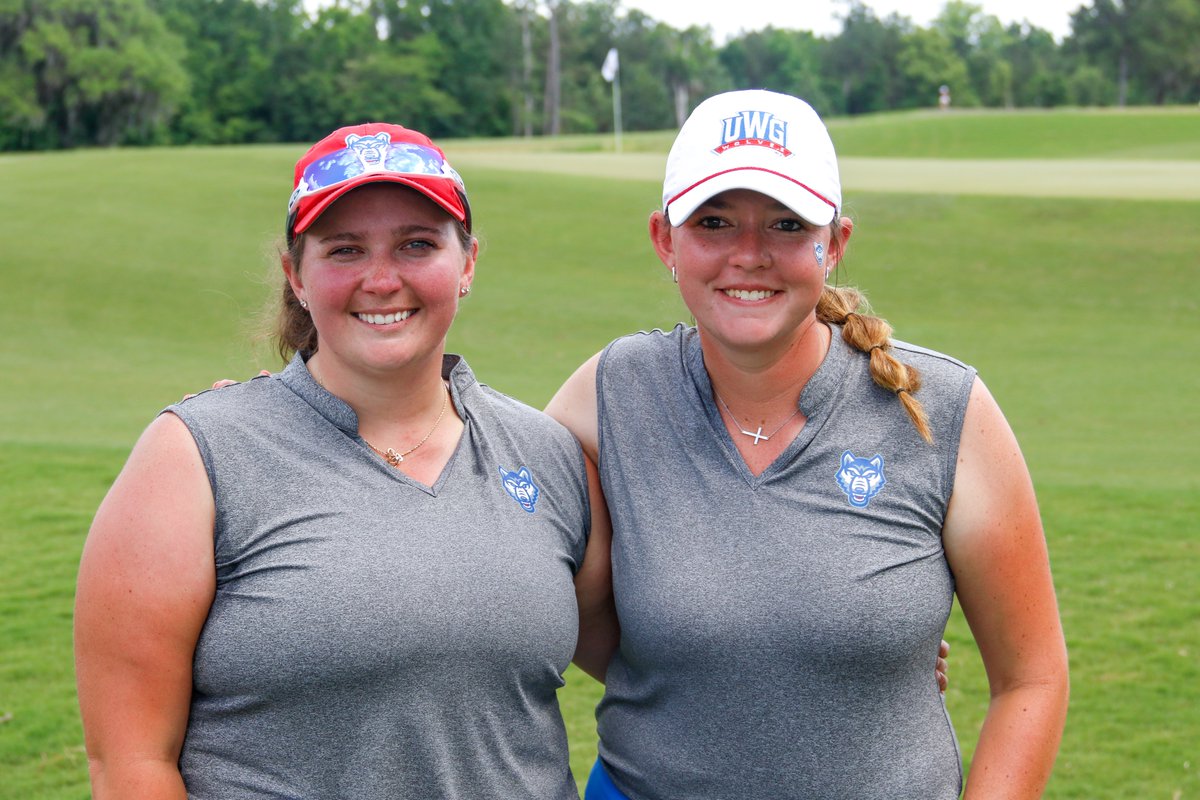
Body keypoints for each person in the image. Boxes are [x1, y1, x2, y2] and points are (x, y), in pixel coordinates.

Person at [545, 89, 1069, 799]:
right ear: (665, 240)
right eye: (714, 222)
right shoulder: (609, 394)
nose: (749, 255)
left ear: (836, 243)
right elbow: (528, 591)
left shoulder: (944, 409)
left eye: (788, 224)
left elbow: (1032, 678)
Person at [73, 122, 617, 798]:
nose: (381, 280)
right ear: (295, 275)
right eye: (345, 249)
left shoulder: (547, 454)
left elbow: (659, 667)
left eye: (417, 244)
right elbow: (131, 763)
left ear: (468, 263)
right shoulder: (194, 456)